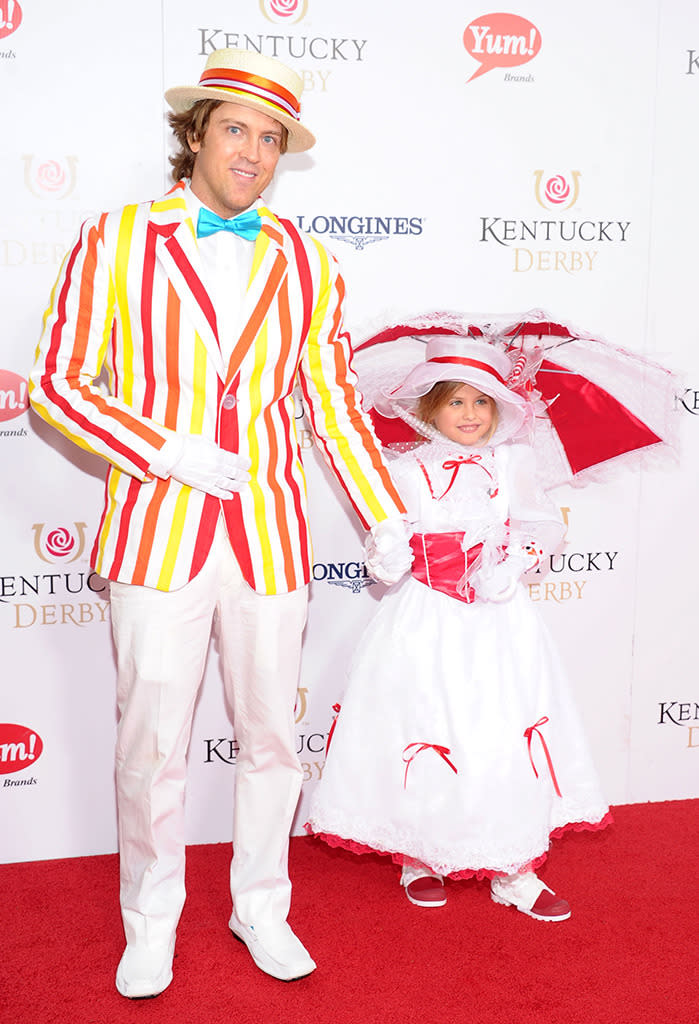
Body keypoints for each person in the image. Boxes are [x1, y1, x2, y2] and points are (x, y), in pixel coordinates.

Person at [29, 48, 411, 998]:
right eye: (233, 129)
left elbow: (333, 403)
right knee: (150, 743)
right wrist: (164, 450)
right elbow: (55, 386)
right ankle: (149, 920)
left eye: (269, 138)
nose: (251, 151)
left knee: (273, 740)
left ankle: (261, 908)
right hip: (157, 533)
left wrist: (382, 514)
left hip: (272, 539)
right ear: (193, 135)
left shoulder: (306, 259)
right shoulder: (113, 238)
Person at [306, 334, 611, 918]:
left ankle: (514, 866)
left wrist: (514, 561)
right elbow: (388, 528)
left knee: (504, 730)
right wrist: (390, 550)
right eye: (455, 402)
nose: (469, 415)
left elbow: (540, 523)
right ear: (427, 408)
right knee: (426, 728)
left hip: (499, 623)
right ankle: (422, 854)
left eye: (481, 402)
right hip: (427, 620)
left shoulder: (512, 461)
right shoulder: (404, 468)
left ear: (499, 409)